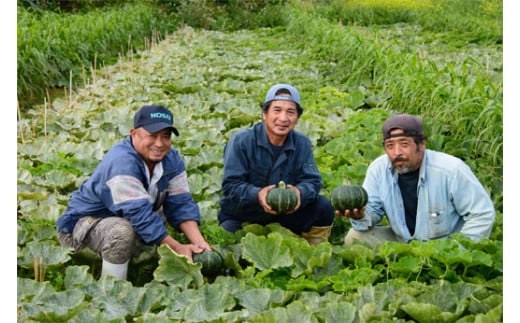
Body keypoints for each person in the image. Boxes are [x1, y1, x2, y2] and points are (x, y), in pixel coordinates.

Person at [56, 105, 211, 280]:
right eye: (152, 136)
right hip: (82, 229)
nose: (159, 144)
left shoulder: (171, 159)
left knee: (159, 215)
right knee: (122, 231)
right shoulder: (122, 162)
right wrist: (177, 248)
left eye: (165, 137)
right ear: (134, 134)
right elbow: (138, 214)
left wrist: (199, 243)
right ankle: (112, 290)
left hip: (121, 218)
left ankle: (131, 264)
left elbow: (180, 202)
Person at [338, 113, 495, 246]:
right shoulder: (378, 169)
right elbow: (373, 210)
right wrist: (361, 216)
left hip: (445, 245)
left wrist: (459, 250)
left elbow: (481, 214)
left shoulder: (451, 170)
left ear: (421, 145)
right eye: (390, 145)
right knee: (355, 238)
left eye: (404, 144)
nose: (397, 152)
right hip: (403, 243)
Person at [218, 83, 335, 244]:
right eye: (277, 110)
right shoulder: (241, 141)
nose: (283, 118)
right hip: (246, 214)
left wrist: (299, 193)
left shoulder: (302, 143)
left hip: (286, 214)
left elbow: (313, 182)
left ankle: (313, 248)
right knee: (228, 235)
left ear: (297, 118)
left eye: (290, 112)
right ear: (264, 114)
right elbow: (231, 186)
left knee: (323, 207)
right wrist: (258, 195)